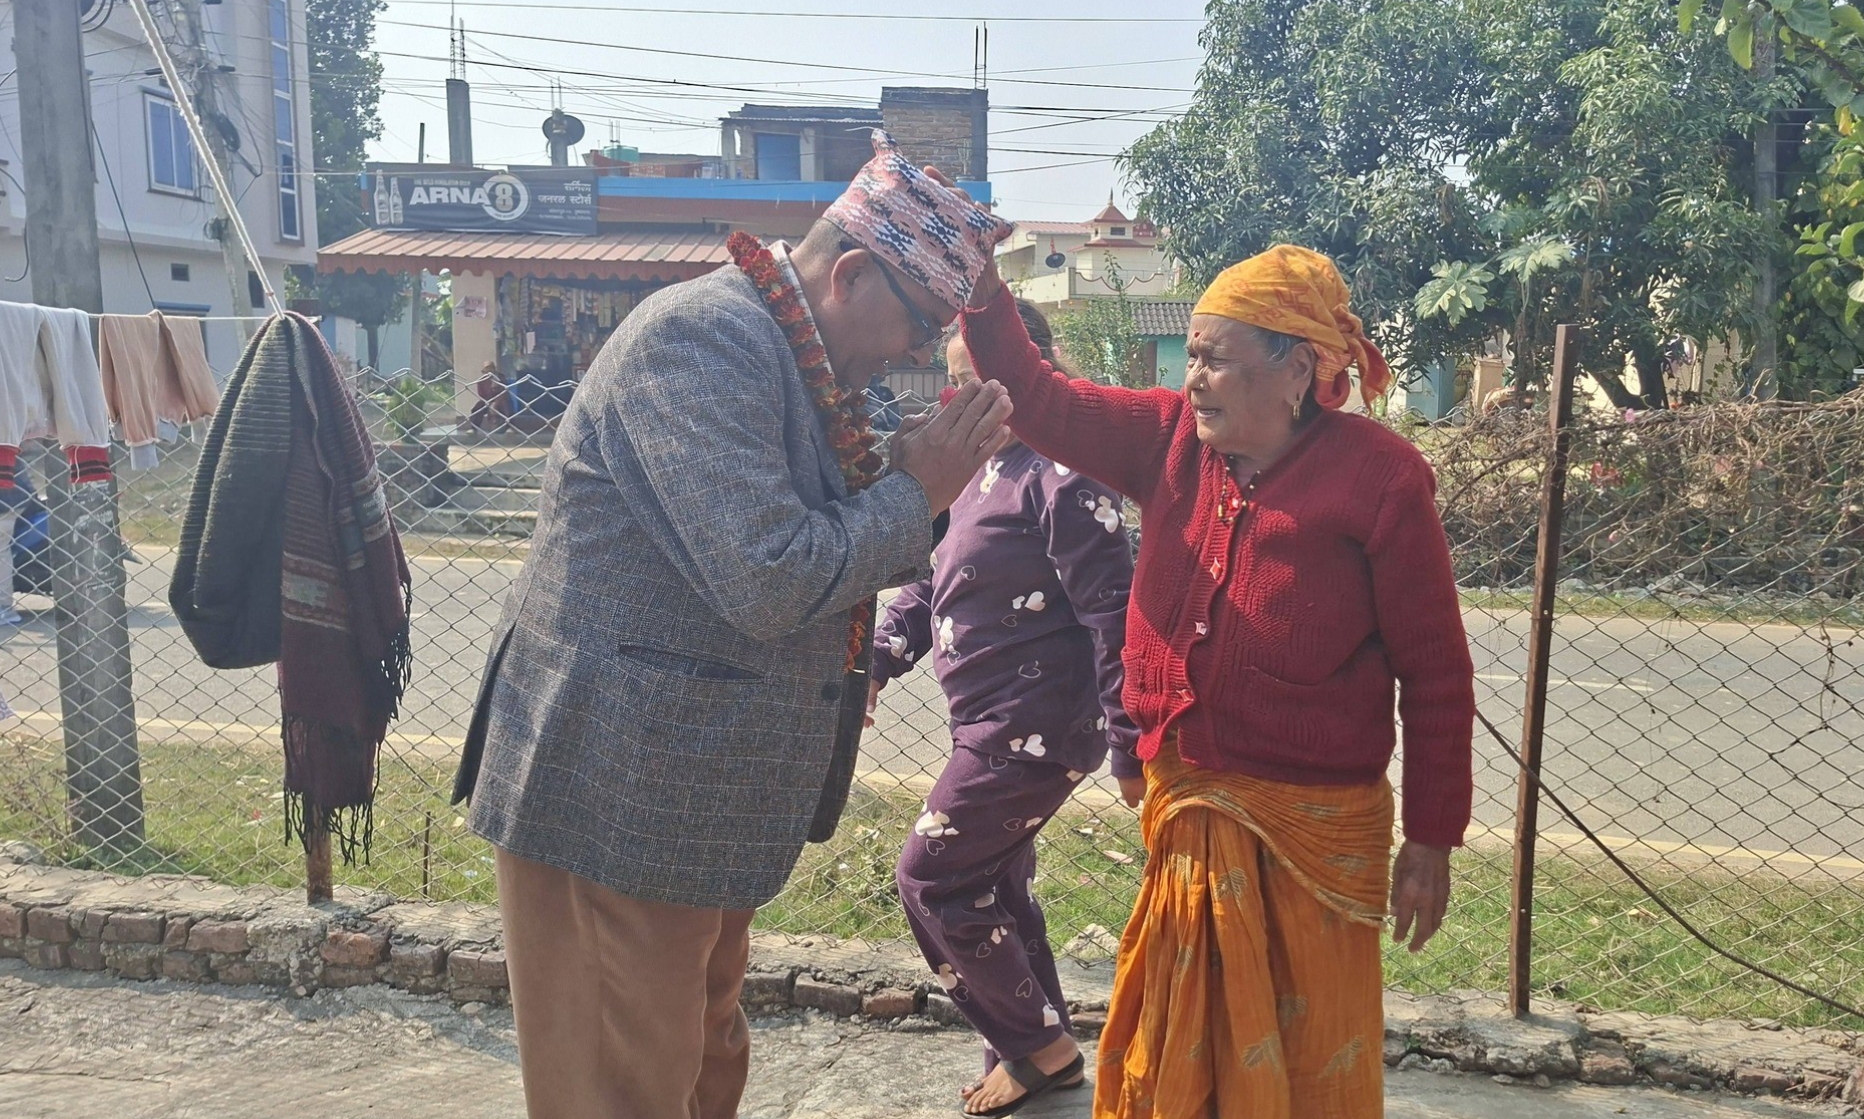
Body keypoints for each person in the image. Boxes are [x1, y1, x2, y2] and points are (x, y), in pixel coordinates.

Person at [449, 132, 1015, 1119]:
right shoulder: (702, 341)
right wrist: (915, 492)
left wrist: (901, 476)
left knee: (699, 1066)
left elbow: (798, 530)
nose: (920, 353)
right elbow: (767, 577)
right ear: (849, 275)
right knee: (622, 1090)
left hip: (689, 797)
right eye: (922, 323)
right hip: (617, 796)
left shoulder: (788, 357)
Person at [958, 244, 1475, 1118]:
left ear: (1297, 369)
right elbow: (1040, 398)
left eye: (1214, 359)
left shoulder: (1382, 479)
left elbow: (1436, 675)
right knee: (1178, 1050)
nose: (1192, 378)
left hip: (1316, 828)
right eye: (1191, 356)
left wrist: (1431, 839)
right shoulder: (1165, 439)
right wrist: (980, 288)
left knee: (1307, 1057)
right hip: (1189, 800)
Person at [868, 298, 1140, 1117]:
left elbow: (1114, 615)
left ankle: (1038, 1046)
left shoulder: (1067, 474)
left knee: (932, 875)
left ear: (1032, 370)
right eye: (956, 387)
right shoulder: (979, 470)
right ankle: (1034, 1049)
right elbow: (930, 583)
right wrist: (876, 660)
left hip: (1035, 729)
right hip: (986, 723)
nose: (967, 404)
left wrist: (1130, 741)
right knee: (993, 883)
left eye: (982, 382)